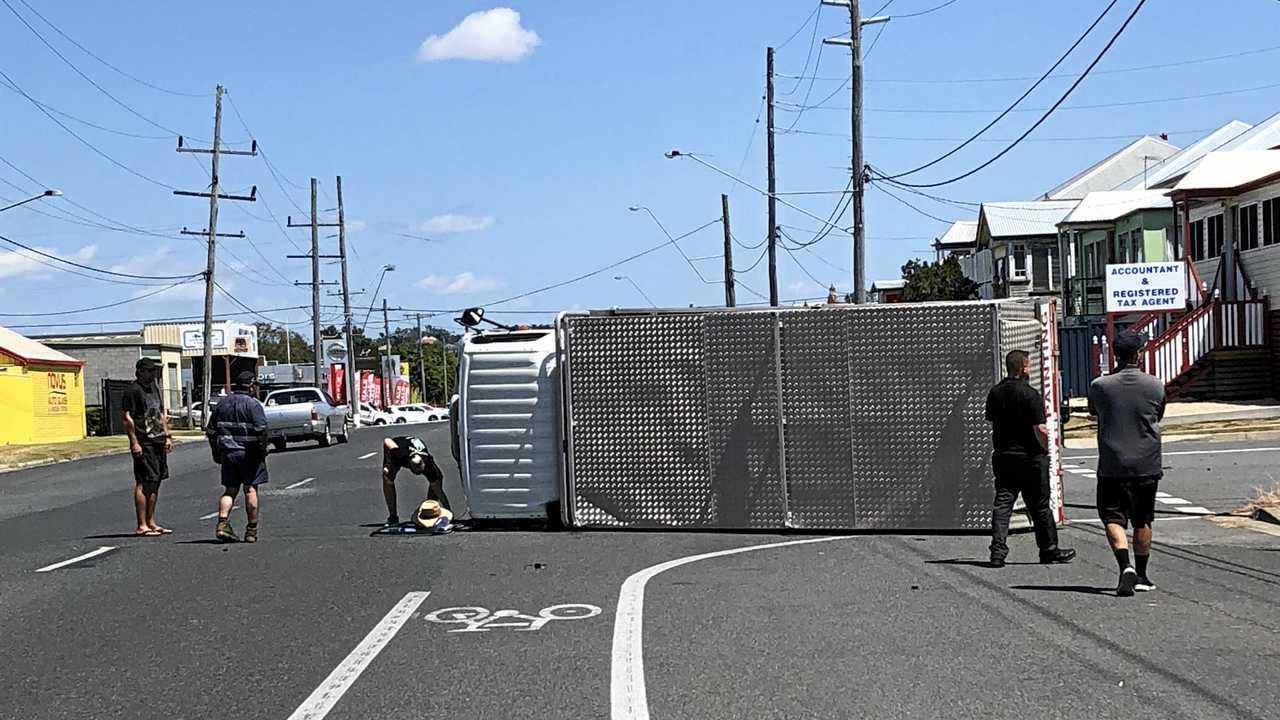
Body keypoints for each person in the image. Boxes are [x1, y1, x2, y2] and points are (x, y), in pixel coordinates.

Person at [1089, 330, 1165, 597]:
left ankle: (1125, 566)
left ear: (1115, 354)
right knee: (1143, 519)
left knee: (1112, 516)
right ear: (1139, 354)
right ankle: (1142, 574)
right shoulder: (1155, 384)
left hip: (1112, 463)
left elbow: (1094, 410)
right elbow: (1159, 413)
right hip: (1147, 462)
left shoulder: (1100, 385)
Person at [985, 350, 1075, 568]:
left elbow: (991, 421)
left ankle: (997, 551)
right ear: (1023, 368)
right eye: (1029, 365)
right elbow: (1041, 429)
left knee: (1003, 503)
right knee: (1040, 506)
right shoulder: (1030, 394)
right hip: (1030, 457)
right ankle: (1048, 549)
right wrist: (1046, 450)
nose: (1030, 368)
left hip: (1004, 455)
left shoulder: (995, 393)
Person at [206, 371, 270, 543]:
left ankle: (222, 523)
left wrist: (215, 451)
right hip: (249, 454)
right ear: (250, 385)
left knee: (230, 490)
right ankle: (251, 530)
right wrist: (262, 450)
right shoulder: (253, 405)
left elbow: (211, 431)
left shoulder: (222, 404)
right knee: (250, 490)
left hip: (228, 453)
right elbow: (261, 430)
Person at [122, 357, 172, 536]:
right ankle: (141, 524)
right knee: (144, 482)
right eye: (150, 371)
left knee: (156, 481)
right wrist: (134, 442)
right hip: (144, 441)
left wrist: (167, 436)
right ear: (141, 371)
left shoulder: (154, 388)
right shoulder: (132, 391)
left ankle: (151, 522)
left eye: (154, 371)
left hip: (157, 439)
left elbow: (160, 414)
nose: (153, 374)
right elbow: (127, 419)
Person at [382, 435, 450, 526]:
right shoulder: (400, 454)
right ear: (409, 465)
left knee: (437, 479)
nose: (418, 474)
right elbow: (387, 440)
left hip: (417, 453)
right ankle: (393, 516)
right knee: (387, 477)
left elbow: (439, 491)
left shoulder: (428, 464)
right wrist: (388, 463)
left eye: (420, 471)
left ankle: (430, 509)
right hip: (400, 446)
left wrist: (448, 511)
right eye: (415, 472)